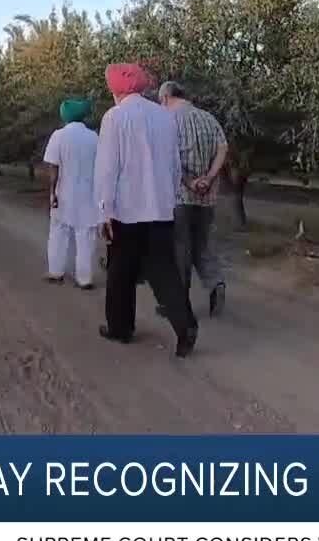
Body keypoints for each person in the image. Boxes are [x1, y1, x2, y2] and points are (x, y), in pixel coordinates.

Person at [93, 63, 199, 357]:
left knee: (120, 272)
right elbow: (175, 165)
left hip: (126, 211)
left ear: (116, 88)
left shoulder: (115, 117)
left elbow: (107, 169)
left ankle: (120, 328)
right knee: (164, 272)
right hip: (161, 209)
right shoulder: (164, 117)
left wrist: (104, 211)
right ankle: (185, 325)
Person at [156, 81, 229, 318]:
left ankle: (177, 303)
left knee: (179, 250)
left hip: (180, 197)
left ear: (166, 97)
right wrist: (208, 178)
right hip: (207, 198)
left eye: (160, 102)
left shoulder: (168, 121)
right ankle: (216, 284)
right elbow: (223, 149)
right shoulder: (209, 118)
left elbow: (169, 158)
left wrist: (189, 182)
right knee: (203, 245)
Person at [43, 98, 100, 289]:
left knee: (59, 233)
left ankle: (55, 272)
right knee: (86, 237)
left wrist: (52, 193)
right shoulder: (94, 137)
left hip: (64, 193)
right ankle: (85, 279)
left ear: (65, 116)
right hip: (89, 195)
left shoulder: (58, 136)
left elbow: (54, 168)